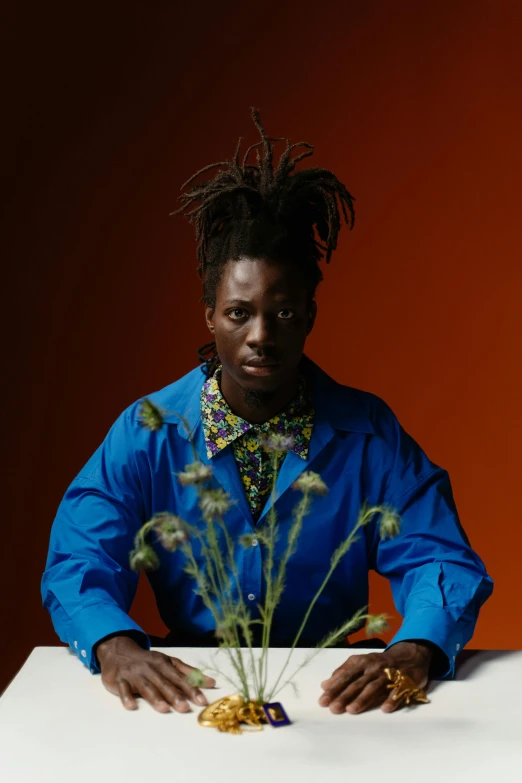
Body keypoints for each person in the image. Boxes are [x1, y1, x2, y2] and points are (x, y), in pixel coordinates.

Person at [41, 109, 493, 717]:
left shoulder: (368, 433)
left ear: (308, 317)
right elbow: (80, 553)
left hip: (336, 704)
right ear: (210, 317)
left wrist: (414, 647)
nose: (260, 335)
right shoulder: (147, 432)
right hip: (187, 698)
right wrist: (113, 643)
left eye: (281, 314)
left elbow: (438, 554)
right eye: (238, 313)